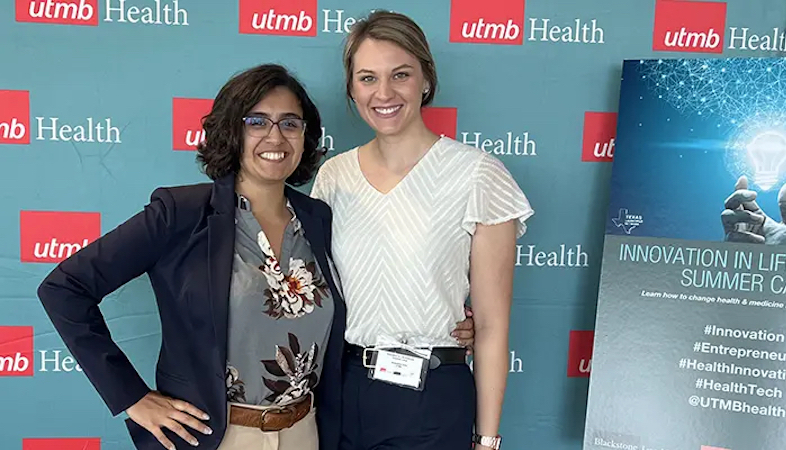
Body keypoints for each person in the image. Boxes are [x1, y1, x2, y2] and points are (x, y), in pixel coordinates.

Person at [35, 63, 476, 450]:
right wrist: (131, 397)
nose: (275, 136)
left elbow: (366, 288)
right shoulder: (181, 214)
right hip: (215, 436)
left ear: (305, 136)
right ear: (232, 130)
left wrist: (441, 320)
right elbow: (64, 289)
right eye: (257, 121)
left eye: (290, 123)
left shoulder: (319, 218)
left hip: (305, 433)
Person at [310, 10, 533, 450]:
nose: (384, 93)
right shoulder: (333, 177)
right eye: (368, 78)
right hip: (343, 391)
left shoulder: (478, 176)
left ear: (426, 80)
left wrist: (487, 440)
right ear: (352, 88)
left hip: (431, 398)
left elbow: (491, 327)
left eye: (401, 75)